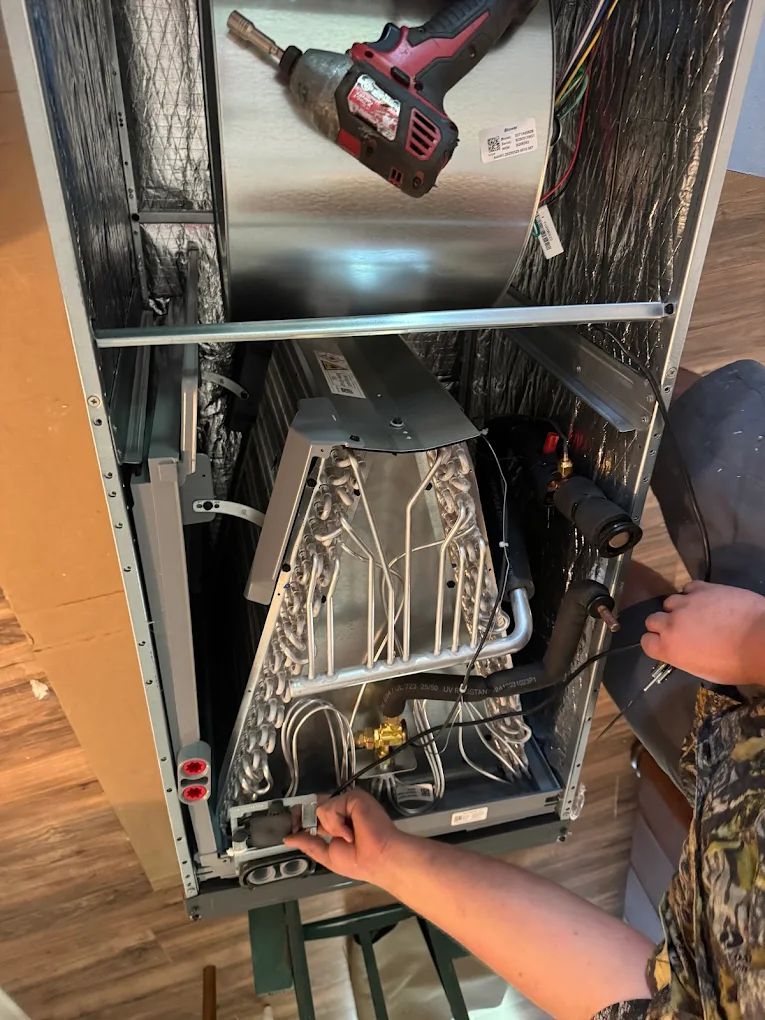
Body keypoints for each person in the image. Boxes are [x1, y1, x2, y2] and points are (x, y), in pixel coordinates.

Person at [286, 579, 765, 1018]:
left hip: (725, 758)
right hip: (747, 651)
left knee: (636, 610)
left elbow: (634, 997)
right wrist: (749, 640)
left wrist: (388, 859)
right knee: (647, 599)